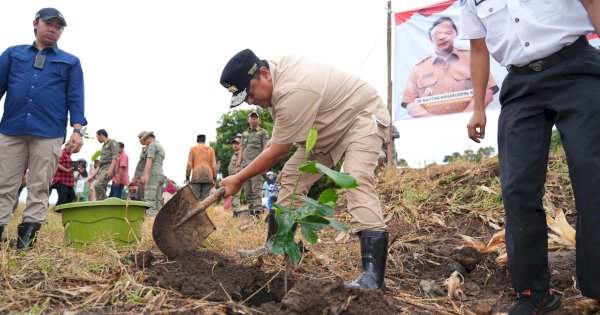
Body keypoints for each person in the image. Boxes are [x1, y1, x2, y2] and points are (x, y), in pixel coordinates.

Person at [461, 1, 600, 313]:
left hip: (576, 68)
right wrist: (479, 107)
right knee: (517, 188)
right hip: (521, 85)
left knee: (594, 176)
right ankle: (534, 294)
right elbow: (478, 48)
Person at [219, 49, 390, 290]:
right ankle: (275, 244)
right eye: (245, 98)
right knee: (292, 175)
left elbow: (279, 150)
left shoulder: (293, 89)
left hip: (359, 118)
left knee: (355, 178)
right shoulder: (273, 80)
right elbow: (282, 135)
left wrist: (237, 178)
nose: (249, 102)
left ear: (264, 74)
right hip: (325, 130)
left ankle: (373, 277)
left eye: (250, 93)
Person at [0, 8, 86, 249]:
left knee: (39, 186)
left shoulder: (70, 62)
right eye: (49, 24)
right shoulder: (13, 55)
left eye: (59, 27)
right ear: (35, 23)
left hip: (48, 133)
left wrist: (77, 129)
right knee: (4, 184)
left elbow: (76, 98)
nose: (53, 29)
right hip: (11, 128)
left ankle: (25, 245)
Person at [402, 16, 499, 118]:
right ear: (430, 38)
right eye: (437, 34)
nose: (442, 37)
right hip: (432, 128)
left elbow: (487, 92)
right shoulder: (418, 69)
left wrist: (464, 117)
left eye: (448, 33)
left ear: (455, 34)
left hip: (471, 123)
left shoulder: (472, 58)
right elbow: (410, 103)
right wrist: (434, 121)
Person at [238, 110, 269, 218]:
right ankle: (251, 215)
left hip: (256, 166)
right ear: (248, 119)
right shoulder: (244, 134)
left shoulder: (262, 132)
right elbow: (241, 149)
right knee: (247, 192)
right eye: (252, 117)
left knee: (256, 191)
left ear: (259, 119)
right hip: (244, 166)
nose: (253, 119)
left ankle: (257, 215)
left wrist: (264, 165)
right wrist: (238, 165)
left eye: (255, 117)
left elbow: (266, 148)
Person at [139, 132, 165, 215]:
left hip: (153, 175)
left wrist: (145, 174)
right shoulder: (160, 147)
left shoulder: (152, 145)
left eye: (145, 141)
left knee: (150, 200)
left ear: (149, 138)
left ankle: (150, 222)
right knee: (158, 201)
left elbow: (149, 159)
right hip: (160, 175)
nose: (145, 144)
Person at [185, 134, 217, 200]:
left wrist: (187, 177)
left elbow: (189, 164)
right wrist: (214, 178)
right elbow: (214, 166)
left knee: (196, 199)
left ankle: (197, 210)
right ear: (204, 140)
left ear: (197, 140)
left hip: (196, 177)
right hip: (208, 177)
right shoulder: (211, 149)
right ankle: (204, 210)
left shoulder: (193, 149)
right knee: (205, 200)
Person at [93, 129, 119, 201]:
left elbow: (115, 156)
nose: (97, 139)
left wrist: (110, 169)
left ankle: (105, 203)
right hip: (102, 168)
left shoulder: (112, 142)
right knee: (100, 187)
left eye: (97, 136)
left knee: (98, 185)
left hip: (108, 167)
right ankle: (99, 204)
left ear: (101, 135)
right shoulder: (104, 146)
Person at [131, 131, 149, 201]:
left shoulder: (151, 148)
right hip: (140, 175)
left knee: (143, 196)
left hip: (145, 175)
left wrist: (144, 175)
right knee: (138, 195)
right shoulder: (144, 149)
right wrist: (136, 176)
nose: (139, 140)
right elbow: (140, 164)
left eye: (140, 138)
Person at [227, 136, 243, 215]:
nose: (235, 145)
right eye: (233, 143)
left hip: (237, 178)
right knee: (233, 195)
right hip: (233, 179)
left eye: (237, 143)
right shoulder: (235, 154)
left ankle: (237, 213)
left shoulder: (241, 153)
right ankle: (236, 213)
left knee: (235, 195)